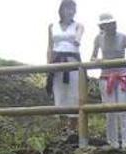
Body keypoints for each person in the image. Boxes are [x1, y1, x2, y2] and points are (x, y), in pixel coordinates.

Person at [91, 13, 126, 149]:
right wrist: (98, 60)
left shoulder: (123, 37)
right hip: (106, 77)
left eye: (113, 23)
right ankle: (112, 143)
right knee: (110, 111)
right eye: (108, 24)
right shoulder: (98, 39)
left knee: (124, 110)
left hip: (123, 76)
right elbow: (92, 57)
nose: (112, 26)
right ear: (103, 26)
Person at [47, 0, 84, 132]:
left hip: (72, 61)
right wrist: (48, 65)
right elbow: (50, 46)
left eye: (73, 9)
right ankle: (61, 128)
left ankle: (72, 129)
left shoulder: (78, 26)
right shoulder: (52, 26)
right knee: (59, 93)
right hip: (57, 62)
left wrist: (77, 40)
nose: (71, 11)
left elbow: (78, 37)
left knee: (74, 94)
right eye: (69, 8)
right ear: (62, 9)